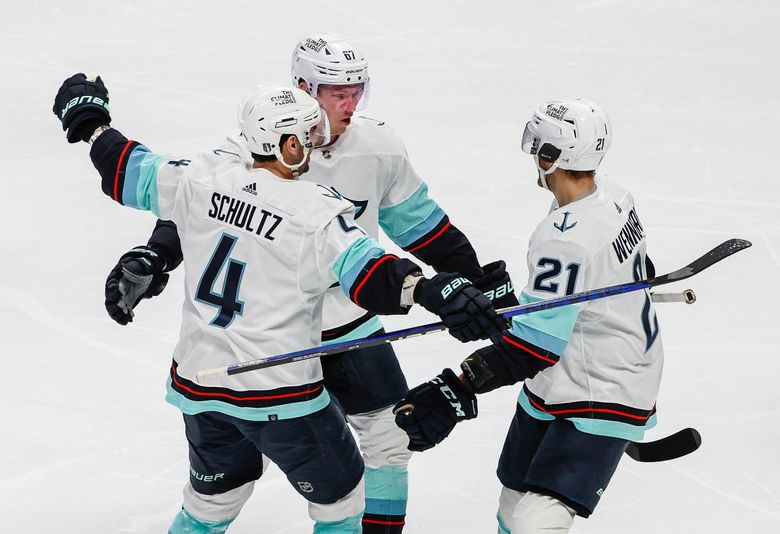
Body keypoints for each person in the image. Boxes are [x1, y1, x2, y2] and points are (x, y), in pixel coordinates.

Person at [102, 33, 518, 533]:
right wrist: (156, 254)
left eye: (357, 90)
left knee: (390, 439)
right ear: (303, 87)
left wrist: (473, 282)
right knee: (319, 491)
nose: (350, 104)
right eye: (336, 92)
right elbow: (202, 213)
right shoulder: (253, 150)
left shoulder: (377, 148)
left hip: (344, 324)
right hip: (277, 339)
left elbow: (423, 226)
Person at [394, 99, 664, 533]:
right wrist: (518, 307)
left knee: (536, 522)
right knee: (513, 502)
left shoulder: (564, 239)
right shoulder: (614, 196)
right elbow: (629, 271)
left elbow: (531, 348)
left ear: (550, 157)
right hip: (564, 375)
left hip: (609, 382)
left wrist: (456, 385)